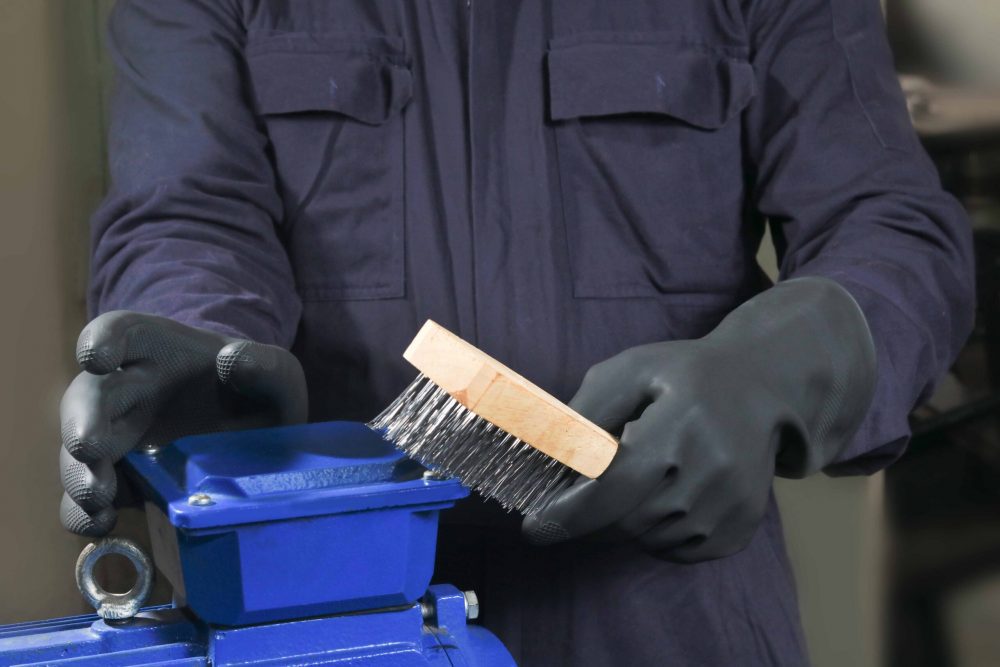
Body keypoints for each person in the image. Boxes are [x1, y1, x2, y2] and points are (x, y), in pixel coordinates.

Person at [58, 1, 975, 665]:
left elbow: (892, 227)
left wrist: (784, 362)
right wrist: (195, 344)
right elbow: (187, 215)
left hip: (669, 620)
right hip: (334, 619)